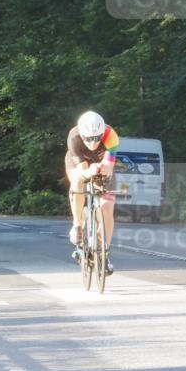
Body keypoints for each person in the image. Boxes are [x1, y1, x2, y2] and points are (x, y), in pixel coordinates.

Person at [65, 110, 119, 275]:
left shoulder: (111, 135)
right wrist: (91, 170)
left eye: (97, 138)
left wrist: (104, 169)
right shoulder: (74, 137)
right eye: (88, 139)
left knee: (107, 206)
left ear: (102, 133)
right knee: (77, 180)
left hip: (101, 162)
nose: (93, 142)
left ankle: (104, 254)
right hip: (80, 163)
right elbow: (83, 171)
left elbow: (109, 166)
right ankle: (77, 225)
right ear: (82, 135)